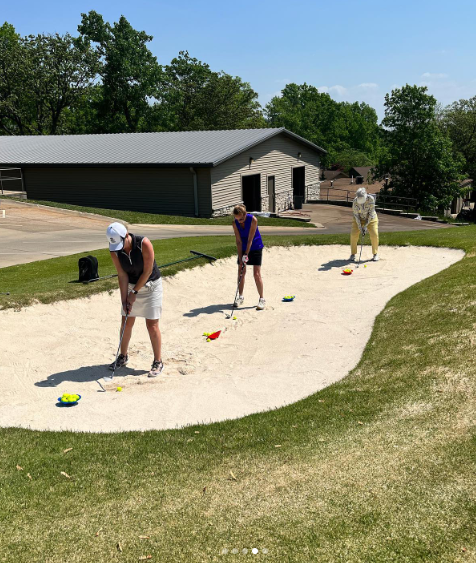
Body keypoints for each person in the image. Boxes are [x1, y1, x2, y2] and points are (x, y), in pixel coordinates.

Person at [106, 222, 164, 378]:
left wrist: (134, 292)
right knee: (126, 321)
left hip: (151, 287)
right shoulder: (115, 249)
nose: (120, 248)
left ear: (126, 235)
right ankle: (122, 356)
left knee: (152, 325)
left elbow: (148, 271)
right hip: (131, 285)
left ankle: (158, 361)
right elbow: (122, 275)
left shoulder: (144, 243)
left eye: (121, 244)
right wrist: (124, 299)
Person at [232, 204, 266, 310]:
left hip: (255, 246)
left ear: (245, 214)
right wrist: (241, 256)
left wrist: (246, 254)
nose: (240, 221)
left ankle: (262, 299)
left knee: (256, 274)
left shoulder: (253, 220)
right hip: (242, 247)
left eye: (242, 219)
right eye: (238, 219)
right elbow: (238, 241)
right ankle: (240, 297)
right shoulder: (235, 223)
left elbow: (250, 239)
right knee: (241, 271)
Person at [350, 187, 379, 262]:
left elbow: (371, 213)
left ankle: (375, 254)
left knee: (374, 234)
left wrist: (365, 226)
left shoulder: (371, 199)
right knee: (353, 235)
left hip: (371, 219)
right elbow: (356, 215)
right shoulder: (355, 201)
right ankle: (353, 254)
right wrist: (360, 227)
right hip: (358, 219)